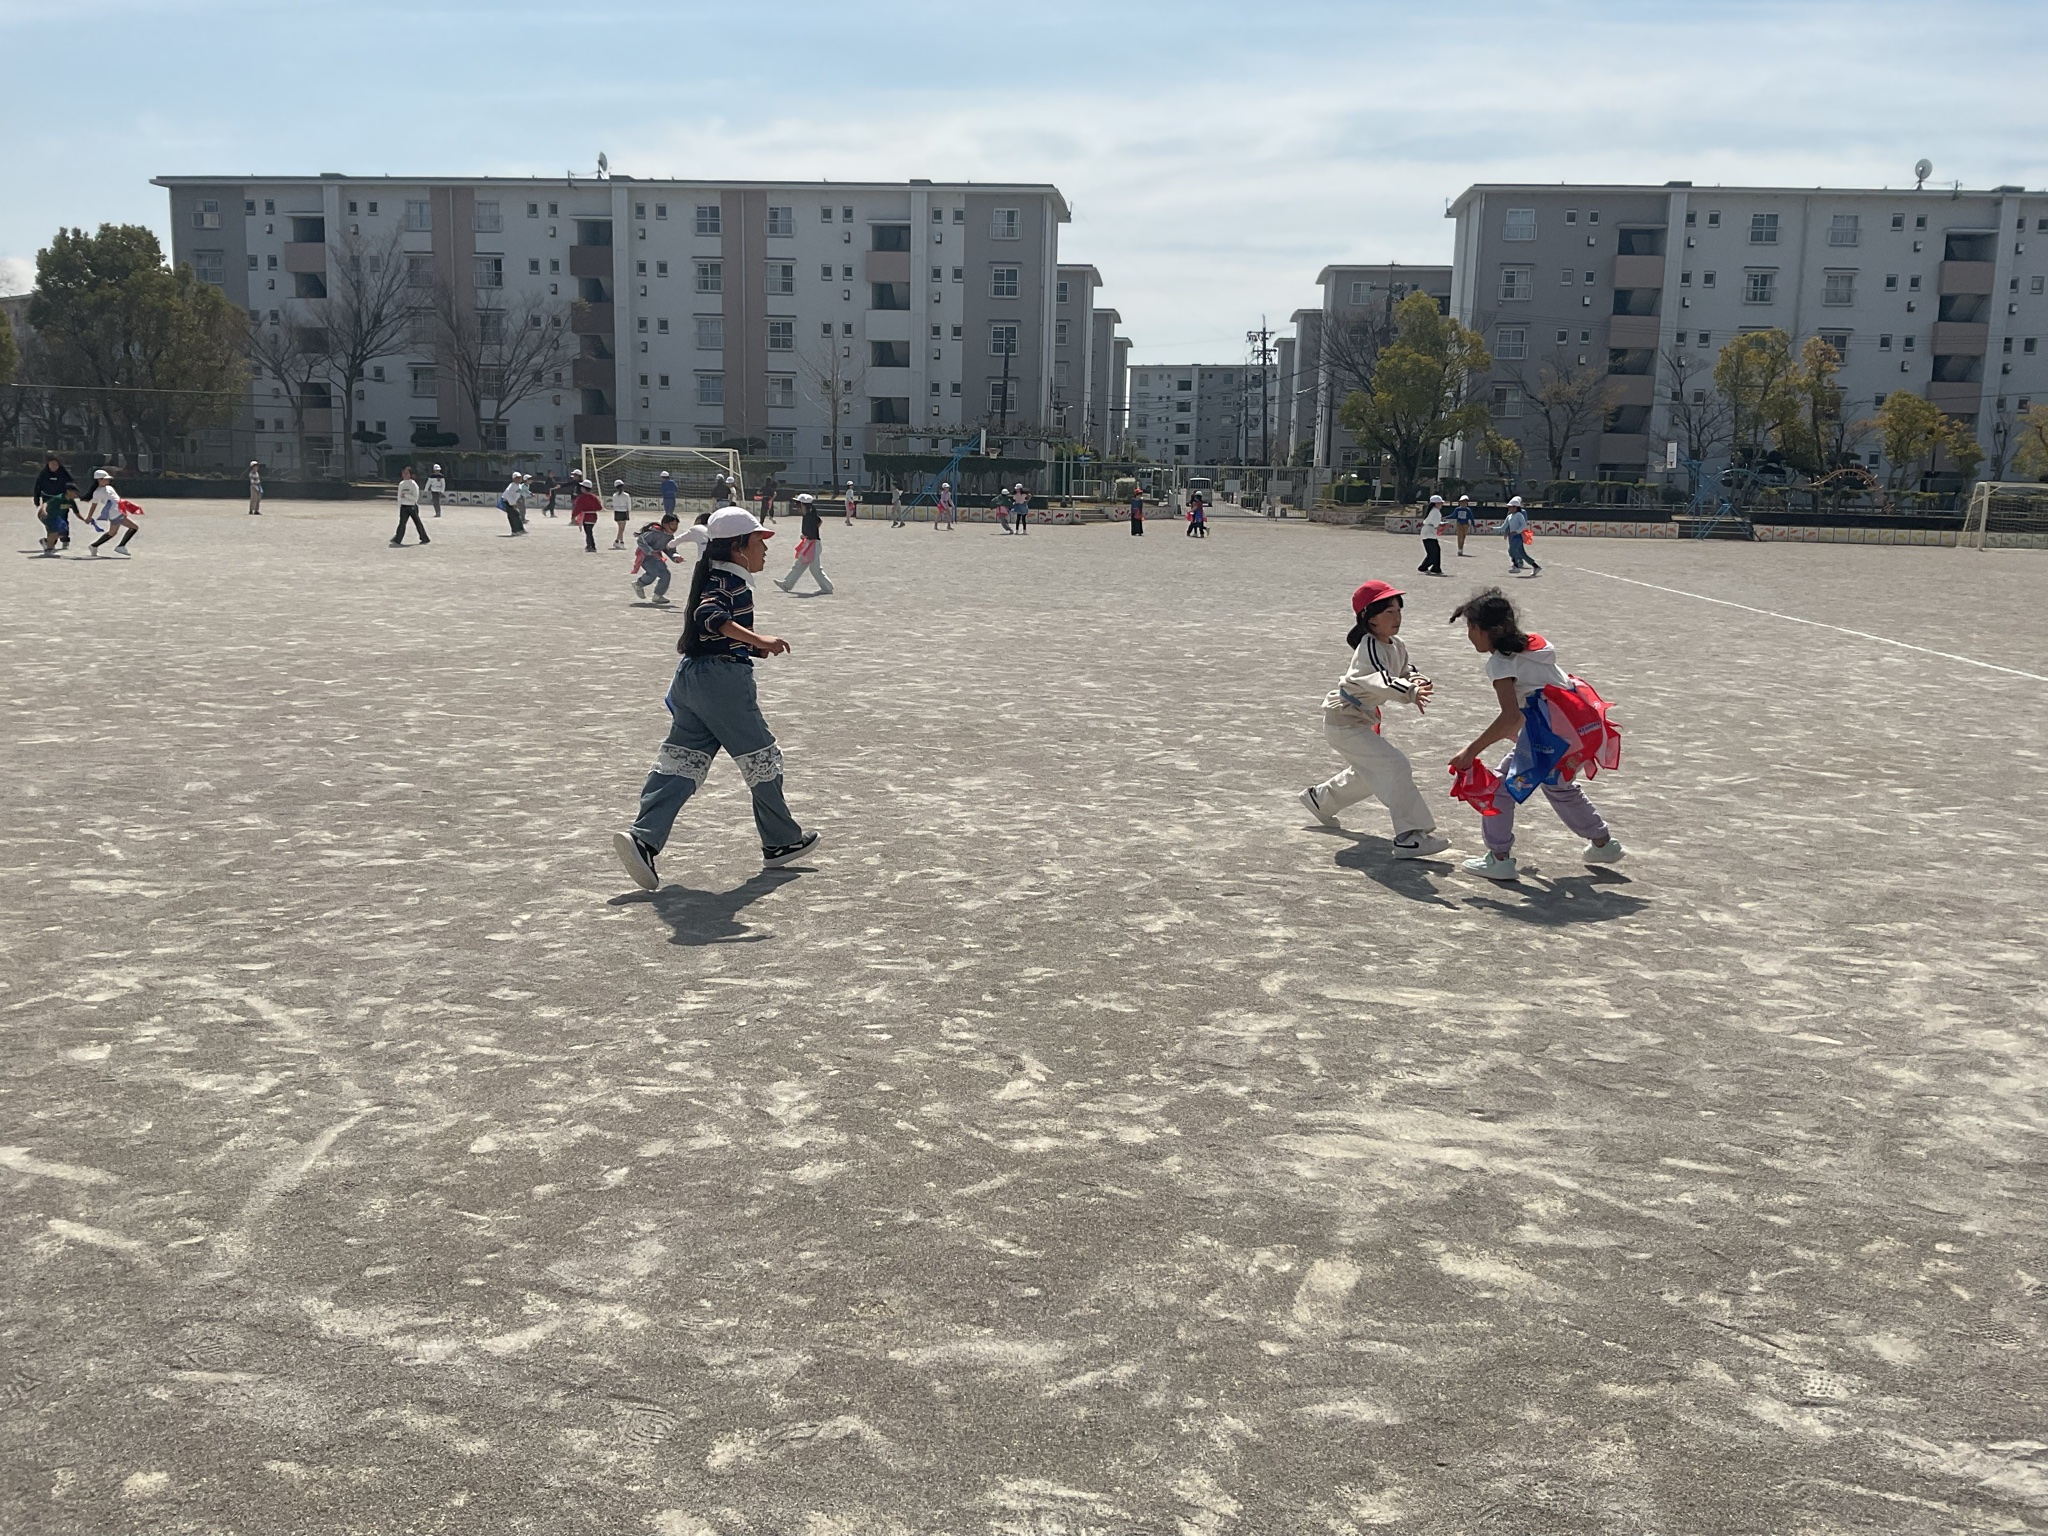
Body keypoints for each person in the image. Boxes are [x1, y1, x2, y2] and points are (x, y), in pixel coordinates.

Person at [612, 505, 821, 890]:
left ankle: (643, 838)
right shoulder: (727, 581)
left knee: (681, 762)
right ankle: (780, 841)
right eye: (759, 541)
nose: (765, 549)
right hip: (722, 683)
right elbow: (709, 617)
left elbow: (712, 633)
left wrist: (755, 648)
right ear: (738, 547)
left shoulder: (718, 574)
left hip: (693, 678)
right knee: (762, 758)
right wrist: (758, 638)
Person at [1448, 587, 1623, 881]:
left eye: (1471, 628)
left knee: (1499, 788)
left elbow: (1510, 715)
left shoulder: (1501, 663)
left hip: (1550, 739)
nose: (1469, 635)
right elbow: (1538, 697)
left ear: (1483, 630)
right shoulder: (1535, 645)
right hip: (1578, 728)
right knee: (1560, 786)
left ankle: (1499, 858)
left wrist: (1471, 750)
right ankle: (1604, 843)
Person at [1299, 581, 1451, 859]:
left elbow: (1404, 671)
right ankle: (1409, 836)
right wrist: (1410, 691)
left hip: (1359, 719)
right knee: (1395, 765)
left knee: (1369, 773)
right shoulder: (1368, 646)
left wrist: (1418, 680)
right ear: (1370, 619)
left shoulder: (1397, 644)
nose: (1397, 617)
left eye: (1399, 611)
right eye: (1389, 612)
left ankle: (1320, 800)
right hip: (1344, 721)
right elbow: (1378, 679)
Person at [775, 492, 833, 594]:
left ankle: (827, 587)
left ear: (802, 504)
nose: (797, 507)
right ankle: (787, 584)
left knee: (814, 569)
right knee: (800, 564)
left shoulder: (809, 515)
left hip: (813, 544)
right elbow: (819, 522)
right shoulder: (811, 512)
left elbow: (810, 530)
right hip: (811, 543)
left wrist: (806, 535)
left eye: (798, 504)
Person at [85, 469, 141, 555]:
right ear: (99, 480)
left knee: (112, 533)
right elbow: (94, 505)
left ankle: (94, 546)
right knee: (134, 527)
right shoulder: (97, 492)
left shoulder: (109, 487)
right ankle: (120, 546)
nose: (108, 480)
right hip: (115, 513)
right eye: (105, 479)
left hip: (118, 511)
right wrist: (89, 517)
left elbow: (116, 499)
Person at [32, 455, 78, 556]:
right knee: (50, 521)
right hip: (48, 499)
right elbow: (37, 487)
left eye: (56, 464)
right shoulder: (43, 474)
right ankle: (49, 543)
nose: (53, 466)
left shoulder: (64, 474)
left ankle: (64, 538)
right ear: (48, 464)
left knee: (63, 519)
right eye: (51, 464)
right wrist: (36, 499)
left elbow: (72, 486)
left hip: (61, 500)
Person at [631, 513, 681, 604]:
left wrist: (675, 557)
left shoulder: (670, 537)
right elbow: (641, 540)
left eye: (676, 524)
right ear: (664, 524)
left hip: (657, 557)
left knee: (666, 575)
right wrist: (651, 552)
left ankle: (658, 595)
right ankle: (639, 584)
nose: (674, 527)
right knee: (652, 573)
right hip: (645, 557)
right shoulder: (654, 533)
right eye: (672, 524)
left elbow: (670, 549)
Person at [390, 466, 430, 546]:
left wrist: (406, 495)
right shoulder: (401, 484)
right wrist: (399, 505)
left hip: (412, 506)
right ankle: (398, 539)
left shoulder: (413, 484)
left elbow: (415, 498)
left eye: (406, 473)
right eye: (403, 473)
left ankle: (424, 538)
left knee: (417, 523)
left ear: (410, 474)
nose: (404, 475)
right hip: (404, 506)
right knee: (402, 523)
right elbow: (399, 496)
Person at [1503, 495, 1540, 575]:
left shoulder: (1522, 512)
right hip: (1511, 534)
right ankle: (1535, 566)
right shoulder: (1510, 513)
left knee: (1512, 550)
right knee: (1520, 552)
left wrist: (1517, 531)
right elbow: (1508, 523)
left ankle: (1516, 565)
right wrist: (1506, 531)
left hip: (1517, 534)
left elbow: (1523, 523)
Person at [1418, 495, 1446, 576]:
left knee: (1435, 551)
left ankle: (1436, 568)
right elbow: (1436, 525)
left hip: (1428, 532)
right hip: (1429, 533)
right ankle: (1423, 567)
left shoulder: (1433, 511)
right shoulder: (1436, 512)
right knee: (1433, 553)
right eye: (1440, 503)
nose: (1441, 505)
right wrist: (1444, 526)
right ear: (1435, 504)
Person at [570, 479, 600, 551]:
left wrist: (573, 516)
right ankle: (590, 545)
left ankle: (591, 545)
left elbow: (578, 508)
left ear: (584, 488)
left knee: (588, 532)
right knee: (589, 531)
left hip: (586, 517)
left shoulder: (581, 497)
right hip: (593, 516)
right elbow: (599, 507)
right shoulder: (594, 497)